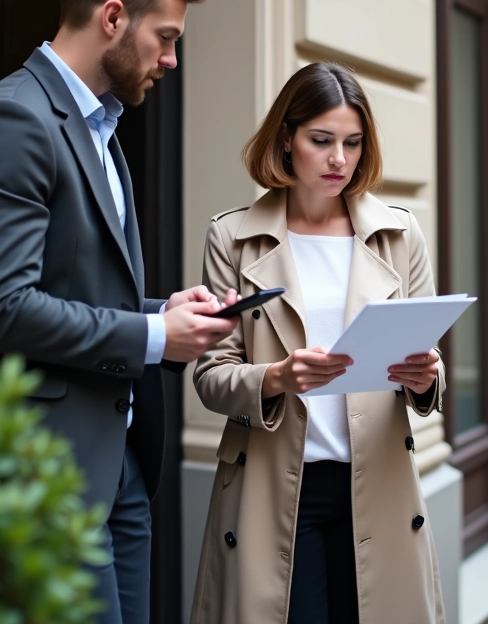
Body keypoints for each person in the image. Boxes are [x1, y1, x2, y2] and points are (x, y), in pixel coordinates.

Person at [0, 0, 239, 624]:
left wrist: (168, 311)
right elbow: (2, 308)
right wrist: (151, 335)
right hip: (50, 473)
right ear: (112, 17)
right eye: (165, 38)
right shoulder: (12, 119)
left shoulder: (101, 129)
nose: (170, 59)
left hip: (120, 469)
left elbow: (74, 289)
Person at [190, 62, 447, 624]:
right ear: (287, 138)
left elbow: (428, 357)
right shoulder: (232, 236)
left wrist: (426, 376)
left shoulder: (400, 233)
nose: (339, 160)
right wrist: (277, 378)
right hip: (273, 484)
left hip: (375, 482)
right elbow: (210, 376)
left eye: (353, 143)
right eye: (321, 140)